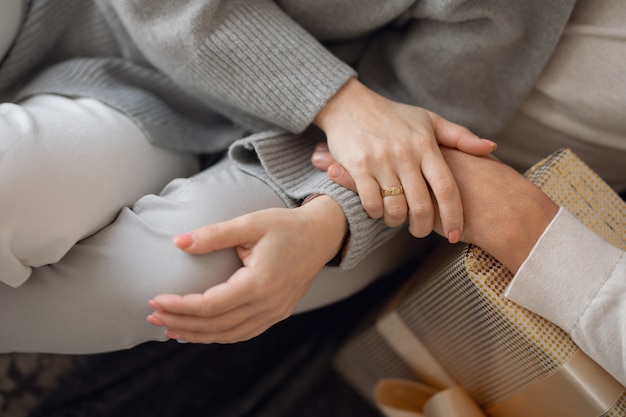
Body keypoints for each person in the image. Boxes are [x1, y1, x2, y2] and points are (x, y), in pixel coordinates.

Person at [1, 0, 497, 353]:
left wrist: (329, 223)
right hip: (60, 16)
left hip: (278, 138)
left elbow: (432, 114)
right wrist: (340, 102)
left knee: (181, 283)